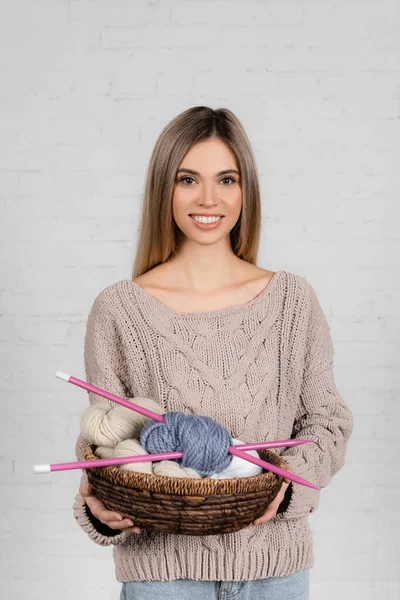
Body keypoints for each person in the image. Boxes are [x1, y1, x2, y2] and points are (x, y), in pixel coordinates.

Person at [72, 106, 354, 600]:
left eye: (226, 179)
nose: (208, 198)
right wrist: (99, 508)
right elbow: (111, 442)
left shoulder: (292, 302)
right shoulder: (119, 310)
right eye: (188, 179)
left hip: (275, 572)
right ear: (165, 187)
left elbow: (327, 422)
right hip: (162, 577)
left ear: (246, 190)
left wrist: (288, 486)